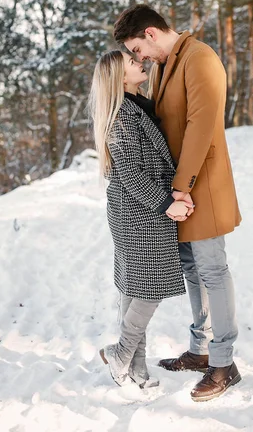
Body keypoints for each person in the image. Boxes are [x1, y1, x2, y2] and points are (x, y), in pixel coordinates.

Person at [113, 4, 242, 402]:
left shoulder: (200, 58)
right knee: (191, 271)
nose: (139, 58)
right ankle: (201, 351)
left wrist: (182, 187)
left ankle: (224, 364)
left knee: (212, 270)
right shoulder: (170, 63)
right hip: (179, 190)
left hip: (199, 186)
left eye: (137, 48)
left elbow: (201, 126)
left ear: (150, 34)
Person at [88, 49, 189, 389]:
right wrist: (166, 204)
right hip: (137, 211)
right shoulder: (121, 115)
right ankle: (121, 354)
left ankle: (138, 368)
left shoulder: (137, 107)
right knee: (149, 287)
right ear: (119, 76)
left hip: (141, 209)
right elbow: (130, 173)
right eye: (132, 63)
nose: (140, 63)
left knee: (136, 286)